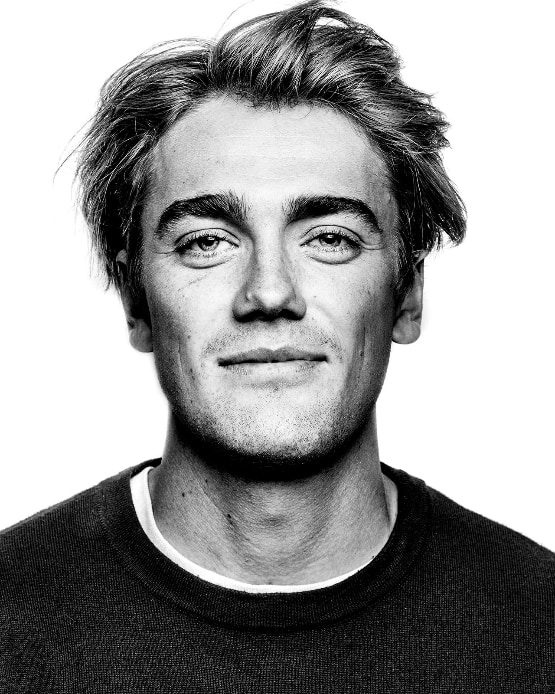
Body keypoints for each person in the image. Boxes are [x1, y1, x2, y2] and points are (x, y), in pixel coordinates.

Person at [1, 1, 553, 690]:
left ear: (407, 295)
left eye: (330, 239)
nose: (268, 291)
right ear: (135, 300)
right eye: (207, 242)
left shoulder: (538, 631)